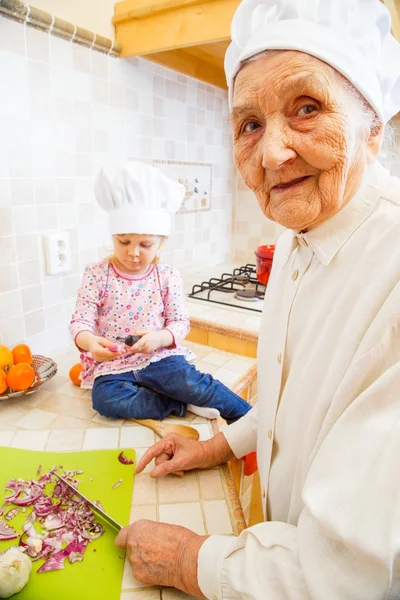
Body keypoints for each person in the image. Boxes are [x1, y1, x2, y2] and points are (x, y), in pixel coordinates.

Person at [114, 0, 400, 598]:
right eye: (249, 124)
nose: (272, 153)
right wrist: (216, 446)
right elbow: (293, 408)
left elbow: (351, 578)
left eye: (307, 108)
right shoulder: (298, 237)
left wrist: (190, 560)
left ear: (374, 127)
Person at [70, 161, 251, 424]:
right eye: (123, 242)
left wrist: (160, 338)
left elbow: (180, 323)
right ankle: (177, 403)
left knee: (192, 383)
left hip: (158, 357)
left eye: (145, 244)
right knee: (105, 401)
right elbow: (81, 322)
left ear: (161, 241)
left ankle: (249, 421)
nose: (133, 252)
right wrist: (89, 343)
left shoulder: (167, 276)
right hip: (114, 365)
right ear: (113, 237)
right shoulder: (96, 274)